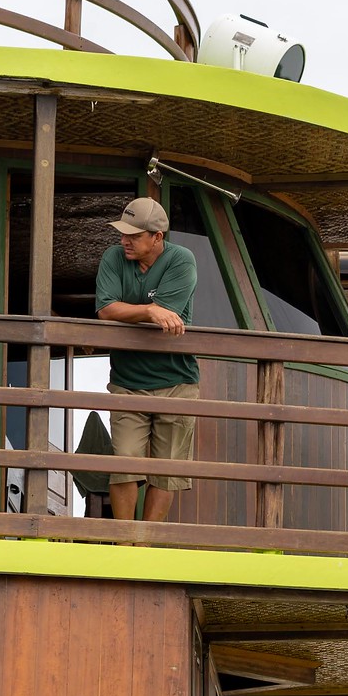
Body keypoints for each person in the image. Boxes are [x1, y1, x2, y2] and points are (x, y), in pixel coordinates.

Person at [94, 196, 199, 522]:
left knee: (166, 470)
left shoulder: (182, 260)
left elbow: (163, 315)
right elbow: (105, 310)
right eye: (123, 233)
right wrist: (149, 310)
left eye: (134, 235)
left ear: (157, 237)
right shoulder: (113, 256)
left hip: (177, 381)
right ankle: (125, 544)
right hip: (127, 381)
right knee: (124, 464)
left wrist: (144, 312)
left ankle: (145, 548)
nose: (124, 241)